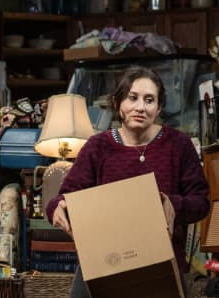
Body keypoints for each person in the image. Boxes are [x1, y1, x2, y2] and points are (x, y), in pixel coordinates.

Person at [46, 66, 209, 298]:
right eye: (132, 98)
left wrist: (172, 204)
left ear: (159, 107)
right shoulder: (97, 147)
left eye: (149, 100)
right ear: (118, 103)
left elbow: (201, 201)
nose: (140, 107)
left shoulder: (178, 145)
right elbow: (66, 195)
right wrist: (57, 206)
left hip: (162, 261)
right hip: (105, 262)